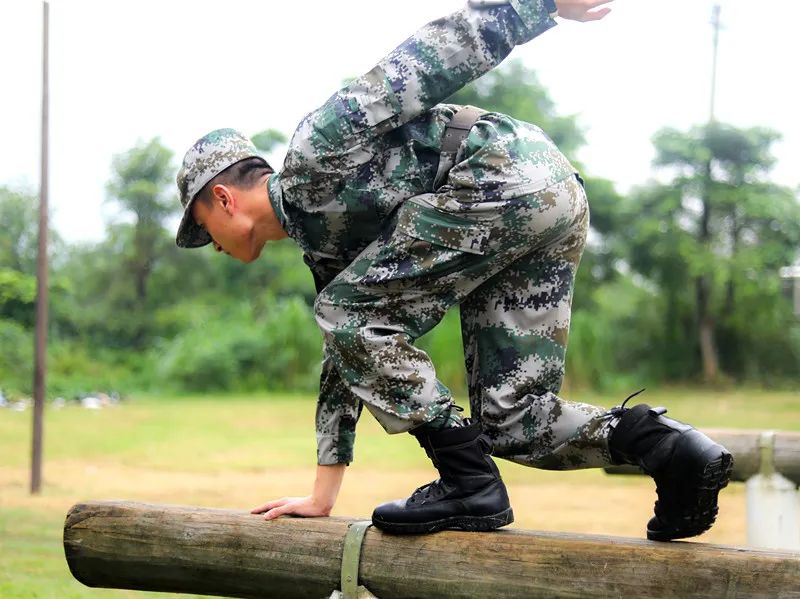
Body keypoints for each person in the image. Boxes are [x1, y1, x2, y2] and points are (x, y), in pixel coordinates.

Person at [174, 0, 733, 540]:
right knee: (514, 421)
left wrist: (539, 3)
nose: (213, 248)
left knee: (344, 313)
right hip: (550, 195)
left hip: (501, 176)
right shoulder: (325, 249)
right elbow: (345, 356)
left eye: (204, 231)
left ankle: (467, 483)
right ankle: (672, 451)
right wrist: (323, 493)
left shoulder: (317, 148)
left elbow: (428, 58)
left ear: (223, 199)